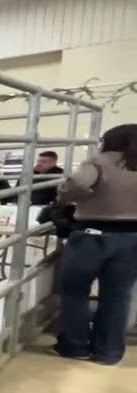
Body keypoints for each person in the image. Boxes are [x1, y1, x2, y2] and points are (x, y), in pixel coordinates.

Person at [54, 123, 137, 365]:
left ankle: (75, 347)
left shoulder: (100, 162)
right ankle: (109, 352)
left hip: (92, 234)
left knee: (75, 292)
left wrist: (79, 196)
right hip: (132, 237)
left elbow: (77, 183)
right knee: (118, 296)